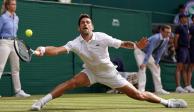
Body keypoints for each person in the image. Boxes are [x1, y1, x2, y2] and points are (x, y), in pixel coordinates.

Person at [31, 14, 187, 111]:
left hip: (110, 73)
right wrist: (43, 49)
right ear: (79, 28)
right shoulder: (75, 43)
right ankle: (41, 102)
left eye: (88, 22)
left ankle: (168, 103)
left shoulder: (102, 37)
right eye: (82, 23)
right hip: (91, 72)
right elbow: (57, 50)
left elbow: (122, 43)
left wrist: (135, 45)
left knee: (138, 94)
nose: (85, 24)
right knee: (70, 83)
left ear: (92, 26)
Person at [0, 0, 30, 97]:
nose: (14, 6)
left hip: (14, 43)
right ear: (7, 6)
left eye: (15, 4)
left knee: (16, 68)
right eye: (12, 4)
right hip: (4, 42)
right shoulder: (3, 18)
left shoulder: (16, 18)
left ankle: (18, 92)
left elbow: (14, 33)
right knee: (0, 67)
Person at [134, 25, 171, 94]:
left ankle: (159, 89)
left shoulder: (167, 39)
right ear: (161, 31)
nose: (168, 34)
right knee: (142, 69)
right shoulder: (155, 38)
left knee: (156, 68)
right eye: (166, 32)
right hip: (140, 51)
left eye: (169, 32)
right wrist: (144, 63)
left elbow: (161, 50)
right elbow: (150, 50)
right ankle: (141, 90)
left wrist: (157, 62)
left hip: (147, 54)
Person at [174, 13, 192, 93]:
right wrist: (176, 48)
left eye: (187, 18)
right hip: (181, 49)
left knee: (185, 68)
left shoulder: (186, 27)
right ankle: (178, 86)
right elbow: (176, 37)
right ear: (181, 18)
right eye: (185, 17)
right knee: (179, 68)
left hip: (186, 49)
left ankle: (186, 86)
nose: (187, 19)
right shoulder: (179, 27)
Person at [186, 14, 194, 93]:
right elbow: (189, 38)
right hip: (192, 49)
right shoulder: (192, 27)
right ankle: (188, 85)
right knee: (191, 67)